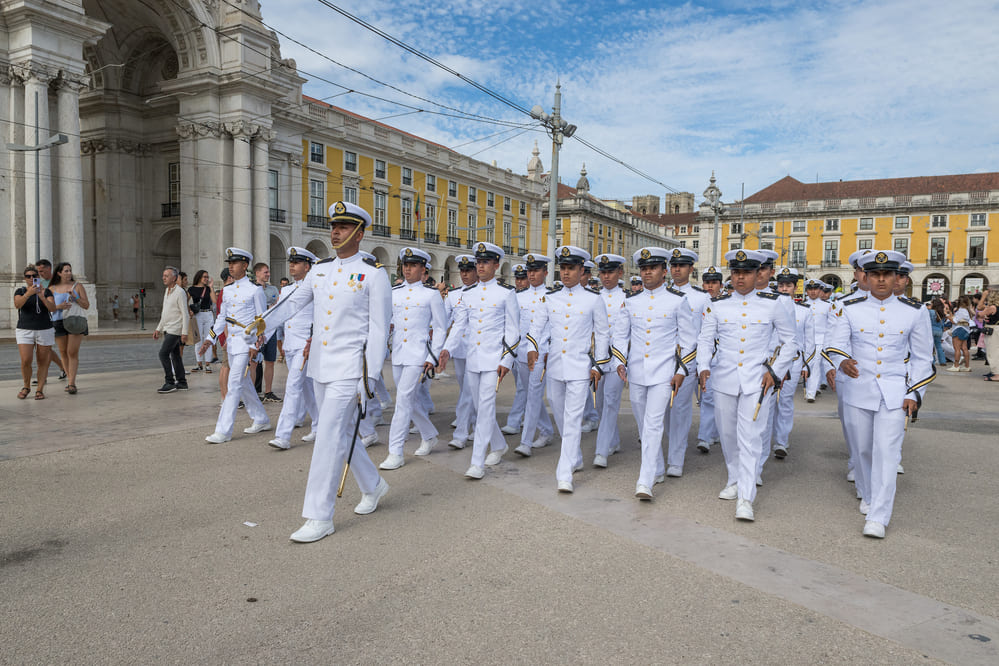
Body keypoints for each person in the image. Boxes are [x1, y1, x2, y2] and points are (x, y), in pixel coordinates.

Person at [254, 201, 393, 543]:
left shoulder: (374, 274)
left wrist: (370, 377)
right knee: (343, 433)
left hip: (350, 369)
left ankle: (319, 515)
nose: (335, 231)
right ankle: (374, 485)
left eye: (344, 227)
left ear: (360, 233)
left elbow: (379, 329)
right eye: (334, 226)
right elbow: (293, 303)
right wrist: (258, 325)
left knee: (328, 436)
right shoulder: (319, 270)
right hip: (320, 366)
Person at [824, 250, 933, 538]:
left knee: (887, 452)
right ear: (866, 277)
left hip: (896, 392)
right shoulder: (849, 307)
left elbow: (923, 358)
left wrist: (915, 393)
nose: (881, 279)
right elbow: (835, 343)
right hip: (859, 388)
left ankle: (878, 515)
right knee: (861, 449)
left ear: (898, 277)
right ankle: (867, 493)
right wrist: (841, 361)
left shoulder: (915, 311)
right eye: (875, 274)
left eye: (887, 274)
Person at [696, 249, 796, 522]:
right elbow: (705, 340)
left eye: (747, 272)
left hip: (756, 380)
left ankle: (746, 498)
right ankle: (734, 479)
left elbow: (790, 342)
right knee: (728, 436)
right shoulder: (718, 305)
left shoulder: (772, 304)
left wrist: (775, 372)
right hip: (724, 379)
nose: (741, 277)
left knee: (750, 438)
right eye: (737, 272)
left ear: (756, 274)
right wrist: (703, 366)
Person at [611, 247, 695, 500]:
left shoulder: (677, 301)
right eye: (644, 268)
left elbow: (689, 340)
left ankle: (644, 480)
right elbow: (620, 333)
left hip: (663, 373)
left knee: (654, 423)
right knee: (643, 424)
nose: (648, 273)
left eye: (653, 268)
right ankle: (657, 466)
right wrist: (619, 360)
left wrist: (681, 370)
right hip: (636, 373)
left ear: (664, 270)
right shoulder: (630, 301)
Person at [526, 245, 609, 493]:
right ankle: (575, 457)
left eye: (571, 268)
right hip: (555, 367)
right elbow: (536, 326)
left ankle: (564, 474)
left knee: (573, 418)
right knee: (558, 409)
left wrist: (599, 364)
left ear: (581, 270)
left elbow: (603, 334)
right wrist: (532, 347)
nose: (565, 273)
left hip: (580, 366)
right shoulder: (550, 298)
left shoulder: (594, 300)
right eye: (563, 268)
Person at [437, 242, 520, 479]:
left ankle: (477, 462)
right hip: (473, 358)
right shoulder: (467, 294)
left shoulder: (506, 293)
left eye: (485, 262)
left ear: (496, 264)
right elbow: (459, 326)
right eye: (478, 262)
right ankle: (499, 444)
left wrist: (507, 359)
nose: (480, 266)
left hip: (494, 361)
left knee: (485, 408)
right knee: (479, 406)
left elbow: (513, 331)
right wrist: (447, 350)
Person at [377, 247, 446, 470]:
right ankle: (429, 434)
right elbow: (385, 321)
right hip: (398, 352)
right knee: (410, 400)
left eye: (413, 265)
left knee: (403, 401)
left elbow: (440, 327)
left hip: (418, 354)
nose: (408, 269)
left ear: (423, 269)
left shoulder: (431, 294)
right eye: (405, 265)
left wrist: (432, 356)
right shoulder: (394, 291)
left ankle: (395, 451)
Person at [197, 248, 270, 443]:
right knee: (244, 384)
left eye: (234, 263)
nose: (230, 266)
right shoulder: (227, 291)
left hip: (247, 344)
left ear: (244, 266)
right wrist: (209, 339)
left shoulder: (255, 290)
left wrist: (257, 344)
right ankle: (261, 419)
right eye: (229, 263)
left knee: (234, 383)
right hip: (231, 344)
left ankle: (223, 431)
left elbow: (262, 320)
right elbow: (221, 319)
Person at [664, 248, 711, 477]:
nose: (676, 269)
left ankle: (675, 459)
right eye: (673, 265)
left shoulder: (701, 298)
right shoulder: (660, 293)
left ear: (691, 269)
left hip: (687, 361)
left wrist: (702, 365)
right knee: (660, 412)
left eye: (681, 265)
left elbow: (705, 335)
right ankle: (661, 451)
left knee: (680, 411)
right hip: (661, 361)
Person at [267, 247, 320, 450]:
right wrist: (263, 336)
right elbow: (279, 317)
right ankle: (318, 425)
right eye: (291, 262)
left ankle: (283, 436)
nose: (291, 265)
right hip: (290, 345)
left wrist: (314, 339)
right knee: (306, 389)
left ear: (307, 266)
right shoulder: (287, 290)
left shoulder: (315, 288)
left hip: (305, 346)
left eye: (296, 262)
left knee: (292, 387)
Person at [509, 253, 555, 457]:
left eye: (536, 270)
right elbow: (512, 327)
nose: (532, 274)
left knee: (534, 395)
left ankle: (526, 442)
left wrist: (550, 351)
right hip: (521, 353)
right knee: (530, 395)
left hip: (541, 353)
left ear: (545, 272)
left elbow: (555, 328)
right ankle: (546, 430)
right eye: (530, 271)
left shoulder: (553, 296)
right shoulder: (517, 297)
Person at [766, 267, 815, 461]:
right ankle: (763, 439)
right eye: (781, 285)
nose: (784, 288)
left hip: (793, 362)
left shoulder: (804, 311)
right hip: (771, 361)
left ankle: (781, 441)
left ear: (795, 287)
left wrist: (806, 365)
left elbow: (809, 341)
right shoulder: (769, 307)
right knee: (768, 401)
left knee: (785, 401)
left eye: (788, 285)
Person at [593, 253, 628, 467]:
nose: (606, 277)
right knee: (599, 404)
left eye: (611, 272)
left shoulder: (627, 299)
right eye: (603, 272)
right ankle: (613, 441)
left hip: (617, 358)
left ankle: (601, 451)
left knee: (611, 402)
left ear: (620, 273)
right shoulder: (592, 297)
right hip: (597, 358)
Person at [443, 255, 480, 450]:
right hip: (459, 349)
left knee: (468, 392)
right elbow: (446, 321)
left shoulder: (481, 293)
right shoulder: (453, 295)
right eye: (462, 271)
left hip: (476, 349)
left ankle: (461, 433)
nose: (464, 274)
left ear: (476, 271)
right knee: (467, 390)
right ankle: (476, 424)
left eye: (468, 270)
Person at [14, 265, 56, 400]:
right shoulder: (20, 291)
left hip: (44, 329)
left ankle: (40, 389)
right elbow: (17, 305)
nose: (32, 278)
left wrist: (42, 297)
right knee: (26, 360)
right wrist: (28, 294)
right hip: (25, 329)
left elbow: (52, 308)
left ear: (39, 277)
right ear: (25, 278)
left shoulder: (47, 292)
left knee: (42, 361)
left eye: (34, 276)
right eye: (28, 276)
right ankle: (26, 386)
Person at [49, 262, 90, 395]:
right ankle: (69, 380)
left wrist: (76, 297)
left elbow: (86, 305)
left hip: (74, 320)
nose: (69, 273)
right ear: (59, 273)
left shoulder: (77, 286)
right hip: (58, 321)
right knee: (63, 352)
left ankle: (72, 383)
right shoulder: (52, 288)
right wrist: (59, 306)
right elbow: (49, 308)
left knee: (72, 352)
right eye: (66, 271)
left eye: (70, 270)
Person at [695, 266, 725, 451]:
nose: (710, 286)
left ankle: (711, 434)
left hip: (722, 358)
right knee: (706, 397)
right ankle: (706, 435)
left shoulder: (726, 303)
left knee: (718, 399)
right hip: (702, 356)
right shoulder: (698, 303)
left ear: (721, 285)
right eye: (707, 282)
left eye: (714, 283)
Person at [502, 264, 531, 436]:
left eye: (522, 278)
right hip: (514, 350)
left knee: (523, 387)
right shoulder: (511, 296)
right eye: (517, 279)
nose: (519, 282)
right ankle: (526, 416)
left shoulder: (538, 297)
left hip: (531, 351)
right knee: (521, 386)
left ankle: (514, 421)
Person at [153, 266, 190, 393]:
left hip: (175, 329)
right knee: (175, 356)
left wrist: (185, 332)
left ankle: (170, 382)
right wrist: (158, 328)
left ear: (174, 278)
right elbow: (165, 312)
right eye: (163, 275)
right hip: (167, 328)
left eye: (166, 276)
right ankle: (182, 382)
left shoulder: (180, 292)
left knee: (163, 354)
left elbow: (185, 313)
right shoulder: (167, 291)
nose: (163, 278)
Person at [252, 262, 282, 402]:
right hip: (257, 330)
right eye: (265, 272)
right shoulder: (251, 289)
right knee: (254, 361)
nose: (268, 274)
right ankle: (252, 391)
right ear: (257, 273)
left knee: (270, 360)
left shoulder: (273, 289)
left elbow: (278, 305)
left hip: (271, 329)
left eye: (268, 272)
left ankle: (268, 391)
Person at [34, 259, 67, 381]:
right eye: (38, 271)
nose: (40, 273)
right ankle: (62, 368)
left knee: (46, 349)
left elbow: (63, 302)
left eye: (41, 271)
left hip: (56, 319)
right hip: (42, 319)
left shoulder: (58, 282)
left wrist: (56, 306)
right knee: (44, 349)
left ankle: (43, 376)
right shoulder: (40, 283)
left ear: (49, 268)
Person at [803, 278, 834, 402]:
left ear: (820, 290)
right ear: (806, 291)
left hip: (820, 341)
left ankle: (811, 394)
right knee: (805, 366)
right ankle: (813, 388)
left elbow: (832, 325)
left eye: (815, 289)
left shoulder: (828, 306)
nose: (813, 292)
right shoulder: (802, 305)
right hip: (805, 340)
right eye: (810, 289)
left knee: (815, 366)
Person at [189, 270, 216, 373]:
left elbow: (214, 301)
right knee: (198, 339)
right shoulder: (192, 289)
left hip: (208, 314)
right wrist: (189, 311)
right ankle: (199, 363)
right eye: (204, 277)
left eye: (207, 277)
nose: (206, 279)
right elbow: (184, 300)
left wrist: (211, 287)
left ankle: (208, 364)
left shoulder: (208, 289)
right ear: (199, 277)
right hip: (197, 315)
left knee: (208, 338)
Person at [946, 295, 974, 372]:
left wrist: (948, 316)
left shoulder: (961, 310)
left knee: (957, 348)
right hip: (966, 330)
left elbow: (954, 321)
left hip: (958, 329)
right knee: (964, 348)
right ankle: (967, 366)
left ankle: (956, 365)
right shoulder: (967, 310)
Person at [977, 289, 999, 381]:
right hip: (996, 329)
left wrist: (983, 296)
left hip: (993, 330)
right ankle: (994, 371)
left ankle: (996, 374)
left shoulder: (993, 307)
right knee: (995, 351)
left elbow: (980, 311)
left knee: (992, 352)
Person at [928, 298, 948, 365]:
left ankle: (932, 361)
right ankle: (942, 361)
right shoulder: (941, 313)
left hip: (931, 330)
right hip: (939, 331)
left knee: (931, 346)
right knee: (939, 346)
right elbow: (943, 324)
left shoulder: (930, 312)